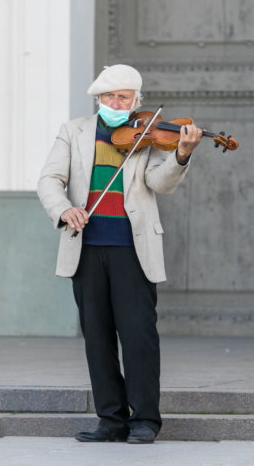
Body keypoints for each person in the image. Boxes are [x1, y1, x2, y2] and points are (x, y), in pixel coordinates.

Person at [37, 64, 202, 444]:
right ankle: (110, 419)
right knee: (97, 336)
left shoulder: (147, 134)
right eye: (110, 96)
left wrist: (180, 155)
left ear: (136, 100)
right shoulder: (74, 131)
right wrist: (64, 209)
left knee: (138, 334)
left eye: (124, 97)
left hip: (132, 247)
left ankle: (145, 419)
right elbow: (50, 179)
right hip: (86, 246)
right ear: (98, 99)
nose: (116, 103)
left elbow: (159, 183)